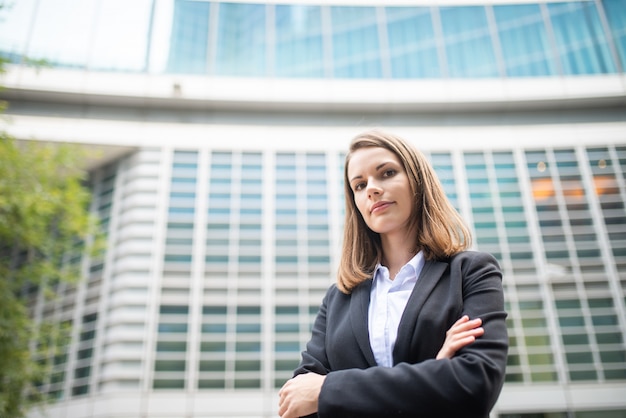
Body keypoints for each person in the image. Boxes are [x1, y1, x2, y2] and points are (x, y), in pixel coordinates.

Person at [278, 130, 508, 418]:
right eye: (359, 185)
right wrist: (436, 370)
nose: (371, 189)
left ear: (417, 181)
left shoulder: (470, 273)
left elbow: (476, 384)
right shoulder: (338, 298)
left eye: (386, 173)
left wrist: (329, 390)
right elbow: (297, 401)